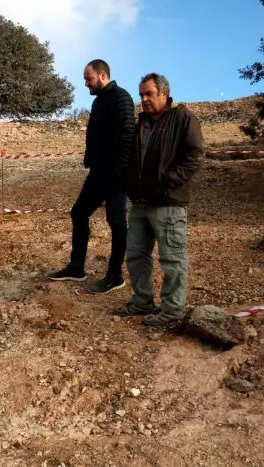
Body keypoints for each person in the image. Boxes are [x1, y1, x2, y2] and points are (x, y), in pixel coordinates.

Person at [113, 73, 203, 325]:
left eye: (149, 94)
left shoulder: (182, 117)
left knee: (172, 258)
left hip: (168, 203)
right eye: (141, 94)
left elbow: (195, 156)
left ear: (164, 94)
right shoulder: (140, 123)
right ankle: (142, 301)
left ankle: (173, 310)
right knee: (135, 254)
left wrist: (167, 182)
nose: (143, 99)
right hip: (141, 202)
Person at [49, 59, 135, 294]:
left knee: (116, 222)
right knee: (79, 212)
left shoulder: (121, 98)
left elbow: (128, 134)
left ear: (102, 75)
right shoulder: (99, 101)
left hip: (116, 174)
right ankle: (76, 268)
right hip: (99, 173)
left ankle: (115, 276)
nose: (86, 84)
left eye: (89, 79)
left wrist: (119, 171)